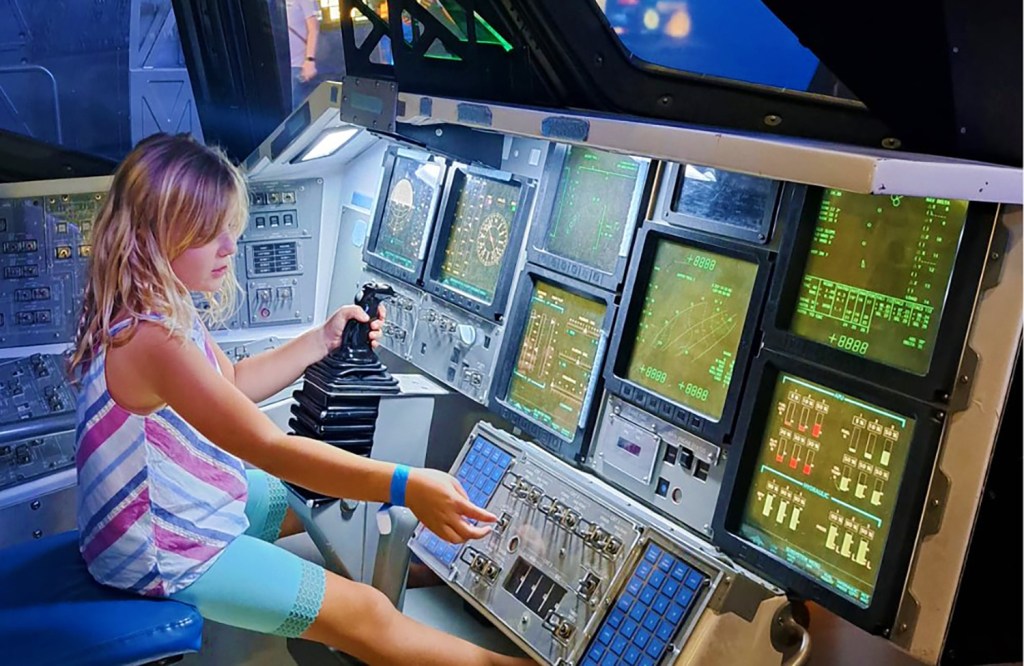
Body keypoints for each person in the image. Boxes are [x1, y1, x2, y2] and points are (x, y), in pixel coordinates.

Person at [69, 133, 531, 666]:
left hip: (156, 515)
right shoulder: (153, 339)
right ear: (154, 236)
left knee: (294, 501)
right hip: (162, 551)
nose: (229, 247)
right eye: (208, 234)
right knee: (366, 614)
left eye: (229, 230)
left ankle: (420, 574)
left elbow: (234, 384)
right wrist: (406, 485)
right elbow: (270, 446)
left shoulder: (155, 303)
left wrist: (321, 339)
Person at [287, 0, 320, 109]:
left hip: (298, 65)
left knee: (295, 109)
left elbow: (313, 29)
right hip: (281, 64)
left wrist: (310, 60)